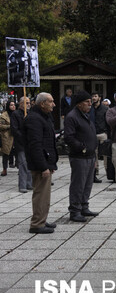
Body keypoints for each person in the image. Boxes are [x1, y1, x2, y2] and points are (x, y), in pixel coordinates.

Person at [24, 93, 59, 234]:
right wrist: (43, 166)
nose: (53, 104)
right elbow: (35, 145)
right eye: (51, 101)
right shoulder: (34, 119)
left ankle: (42, 219)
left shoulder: (43, 117)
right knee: (40, 194)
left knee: (45, 195)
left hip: (46, 161)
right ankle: (37, 223)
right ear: (42, 103)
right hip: (40, 163)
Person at [64, 91, 99, 222]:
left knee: (88, 183)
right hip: (79, 156)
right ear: (79, 104)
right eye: (87, 102)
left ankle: (84, 206)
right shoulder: (72, 117)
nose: (90, 104)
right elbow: (69, 137)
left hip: (90, 155)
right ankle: (75, 210)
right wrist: (82, 147)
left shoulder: (85, 115)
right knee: (78, 184)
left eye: (91, 102)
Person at [11, 97, 33, 192]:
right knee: (23, 164)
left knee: (30, 164)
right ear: (21, 104)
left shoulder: (30, 114)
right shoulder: (15, 114)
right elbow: (15, 130)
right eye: (26, 103)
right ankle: (22, 185)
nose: (28, 104)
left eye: (29, 103)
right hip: (21, 143)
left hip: (30, 143)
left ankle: (29, 183)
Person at [0, 100, 15, 176]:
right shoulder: (4, 115)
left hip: (16, 136)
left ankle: (20, 168)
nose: (13, 106)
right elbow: (1, 126)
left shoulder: (16, 114)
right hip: (7, 137)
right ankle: (4, 169)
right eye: (11, 105)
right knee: (6, 153)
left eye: (14, 105)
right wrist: (10, 126)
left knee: (19, 153)